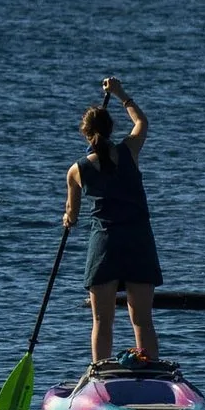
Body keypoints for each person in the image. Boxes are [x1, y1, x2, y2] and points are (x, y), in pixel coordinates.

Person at [62, 75, 162, 368]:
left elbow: (73, 216)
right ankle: (150, 371)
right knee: (142, 319)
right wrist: (121, 94)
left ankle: (102, 374)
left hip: (104, 245)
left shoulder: (76, 171)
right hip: (138, 243)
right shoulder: (129, 151)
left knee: (102, 321)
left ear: (85, 134)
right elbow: (142, 123)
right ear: (110, 130)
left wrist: (67, 218)